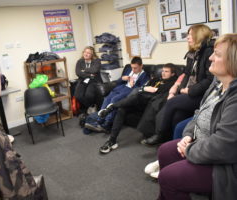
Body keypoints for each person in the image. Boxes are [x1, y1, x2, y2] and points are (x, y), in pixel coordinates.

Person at [156, 33, 237, 200]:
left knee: (167, 177)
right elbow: (199, 113)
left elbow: (222, 147)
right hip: (201, 145)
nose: (211, 58)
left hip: (223, 165)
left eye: (218, 54)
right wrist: (188, 136)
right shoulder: (217, 84)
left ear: (233, 62)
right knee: (164, 151)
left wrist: (190, 149)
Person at [144, 24, 214, 145]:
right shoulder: (192, 53)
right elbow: (186, 75)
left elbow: (209, 80)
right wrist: (181, 89)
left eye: (190, 35)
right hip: (189, 93)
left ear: (199, 35)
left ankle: (160, 135)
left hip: (202, 95)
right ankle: (172, 143)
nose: (187, 37)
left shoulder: (209, 52)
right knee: (177, 115)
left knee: (171, 102)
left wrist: (189, 90)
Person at [98, 64, 177, 154]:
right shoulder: (157, 79)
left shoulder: (172, 83)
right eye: (162, 71)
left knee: (136, 96)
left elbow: (157, 91)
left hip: (149, 103)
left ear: (172, 74)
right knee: (122, 109)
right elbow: (144, 87)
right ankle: (112, 140)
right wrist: (146, 88)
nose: (163, 73)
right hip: (141, 100)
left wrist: (148, 89)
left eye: (166, 71)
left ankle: (111, 107)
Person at [85, 56, 149, 132]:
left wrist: (133, 85)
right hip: (120, 88)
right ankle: (99, 120)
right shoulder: (128, 70)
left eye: (135, 68)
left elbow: (141, 89)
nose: (133, 70)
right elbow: (118, 81)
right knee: (107, 98)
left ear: (141, 66)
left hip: (129, 91)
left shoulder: (145, 75)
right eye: (132, 67)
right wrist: (122, 78)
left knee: (114, 100)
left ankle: (106, 124)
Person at [74, 46, 102, 114]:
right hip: (83, 80)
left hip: (93, 81)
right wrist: (89, 74)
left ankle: (91, 107)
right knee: (78, 96)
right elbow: (78, 73)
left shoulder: (97, 60)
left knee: (89, 95)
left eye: (88, 53)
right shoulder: (80, 61)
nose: (86, 54)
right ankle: (91, 106)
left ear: (92, 55)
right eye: (85, 52)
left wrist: (84, 70)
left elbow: (94, 70)